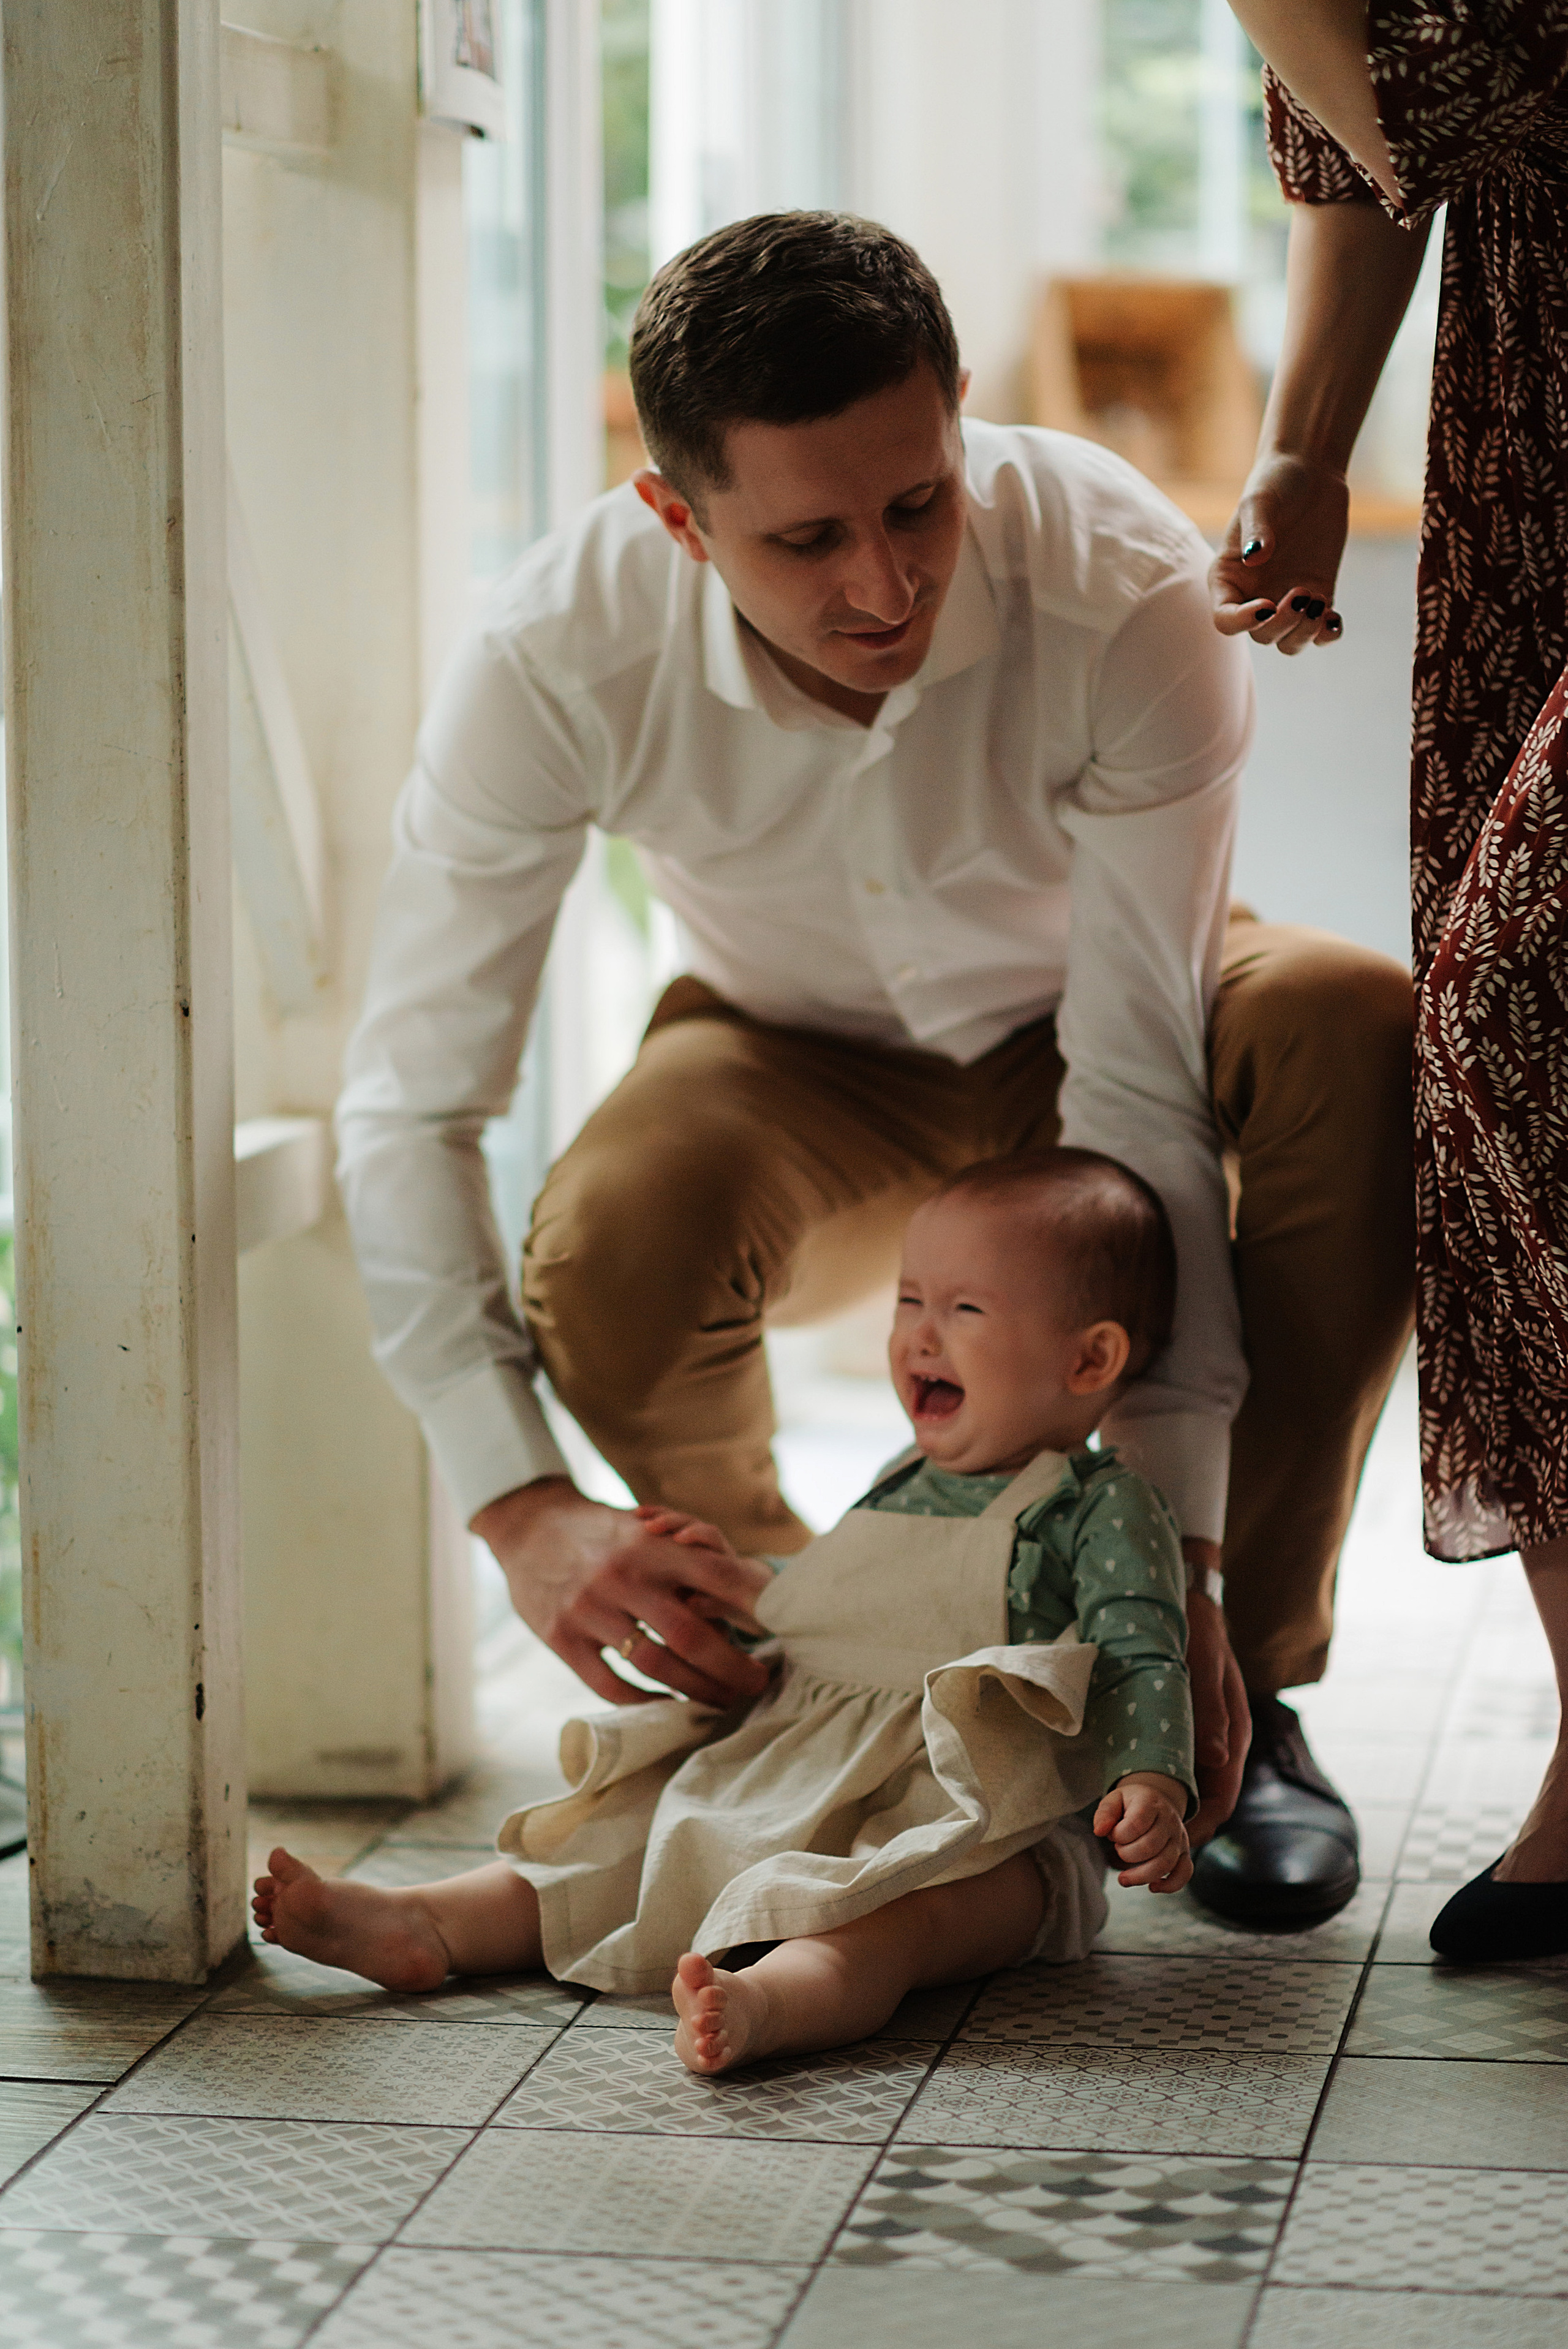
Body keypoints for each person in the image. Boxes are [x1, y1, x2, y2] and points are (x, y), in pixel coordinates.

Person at [336, 210, 1415, 1926]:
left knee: (1356, 1023)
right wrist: (517, 1497)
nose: (885, 583)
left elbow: (1135, 1081)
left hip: (1110, 1008)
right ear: (678, 520)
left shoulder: (1127, 578)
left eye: (919, 502)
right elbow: (410, 1098)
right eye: (807, 537)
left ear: (961, 414)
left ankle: (1235, 1689)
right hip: (788, 1054)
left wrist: (1187, 1562)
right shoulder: (550, 654)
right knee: (613, 1225)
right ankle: (822, 1680)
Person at [255, 1150, 1196, 2075]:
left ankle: (772, 2002)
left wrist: (1153, 1778)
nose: (919, 1334)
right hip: (825, 1767)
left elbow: (1142, 1647)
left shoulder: (1099, 1504)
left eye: (965, 1310)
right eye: (910, 1300)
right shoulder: (905, 1478)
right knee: (649, 1827)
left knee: (894, 1923)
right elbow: (854, 1609)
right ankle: (434, 1921)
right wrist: (750, 1585)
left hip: (986, 1826)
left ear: (1090, 1358)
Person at [1211, 5, 1568, 1958]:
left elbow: (1434, 83)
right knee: (1512, 1086)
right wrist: (1298, 445)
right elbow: (1378, 130)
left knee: (1513, 1025)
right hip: (1539, 484)